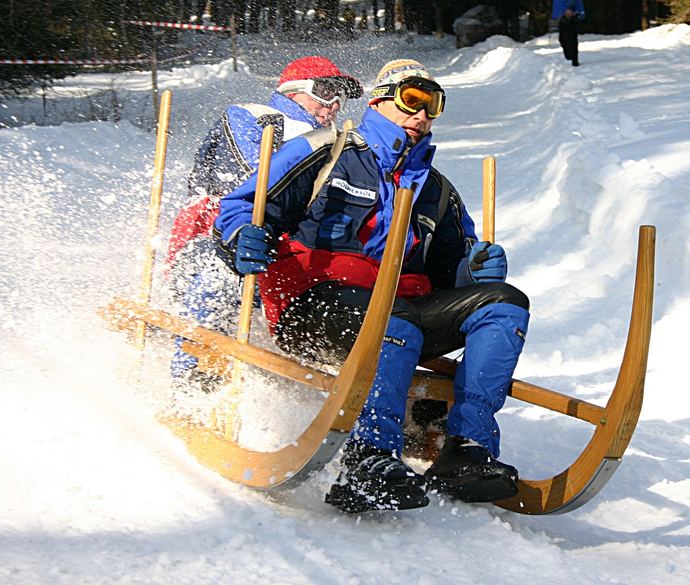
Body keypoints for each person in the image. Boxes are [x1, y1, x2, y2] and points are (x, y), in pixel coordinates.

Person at [213, 59, 531, 514]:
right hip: (314, 307)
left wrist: (473, 269)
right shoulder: (326, 150)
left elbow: (450, 272)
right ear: (381, 99)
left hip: (401, 313)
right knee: (389, 316)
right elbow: (244, 205)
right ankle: (370, 456)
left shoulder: (436, 190)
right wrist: (242, 235)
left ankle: (465, 449)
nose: (422, 115)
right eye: (412, 100)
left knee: (505, 305)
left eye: (433, 104)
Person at [167, 56, 363, 388]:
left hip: (282, 251)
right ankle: (192, 372)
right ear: (294, 91)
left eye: (339, 99)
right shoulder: (253, 116)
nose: (333, 106)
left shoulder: (333, 142)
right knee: (221, 274)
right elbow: (256, 180)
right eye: (326, 92)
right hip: (219, 240)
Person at [553, 0, 585, 67]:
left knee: (570, 38)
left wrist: (569, 7)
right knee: (563, 39)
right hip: (562, 11)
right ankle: (571, 58)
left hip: (568, 12)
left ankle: (573, 60)